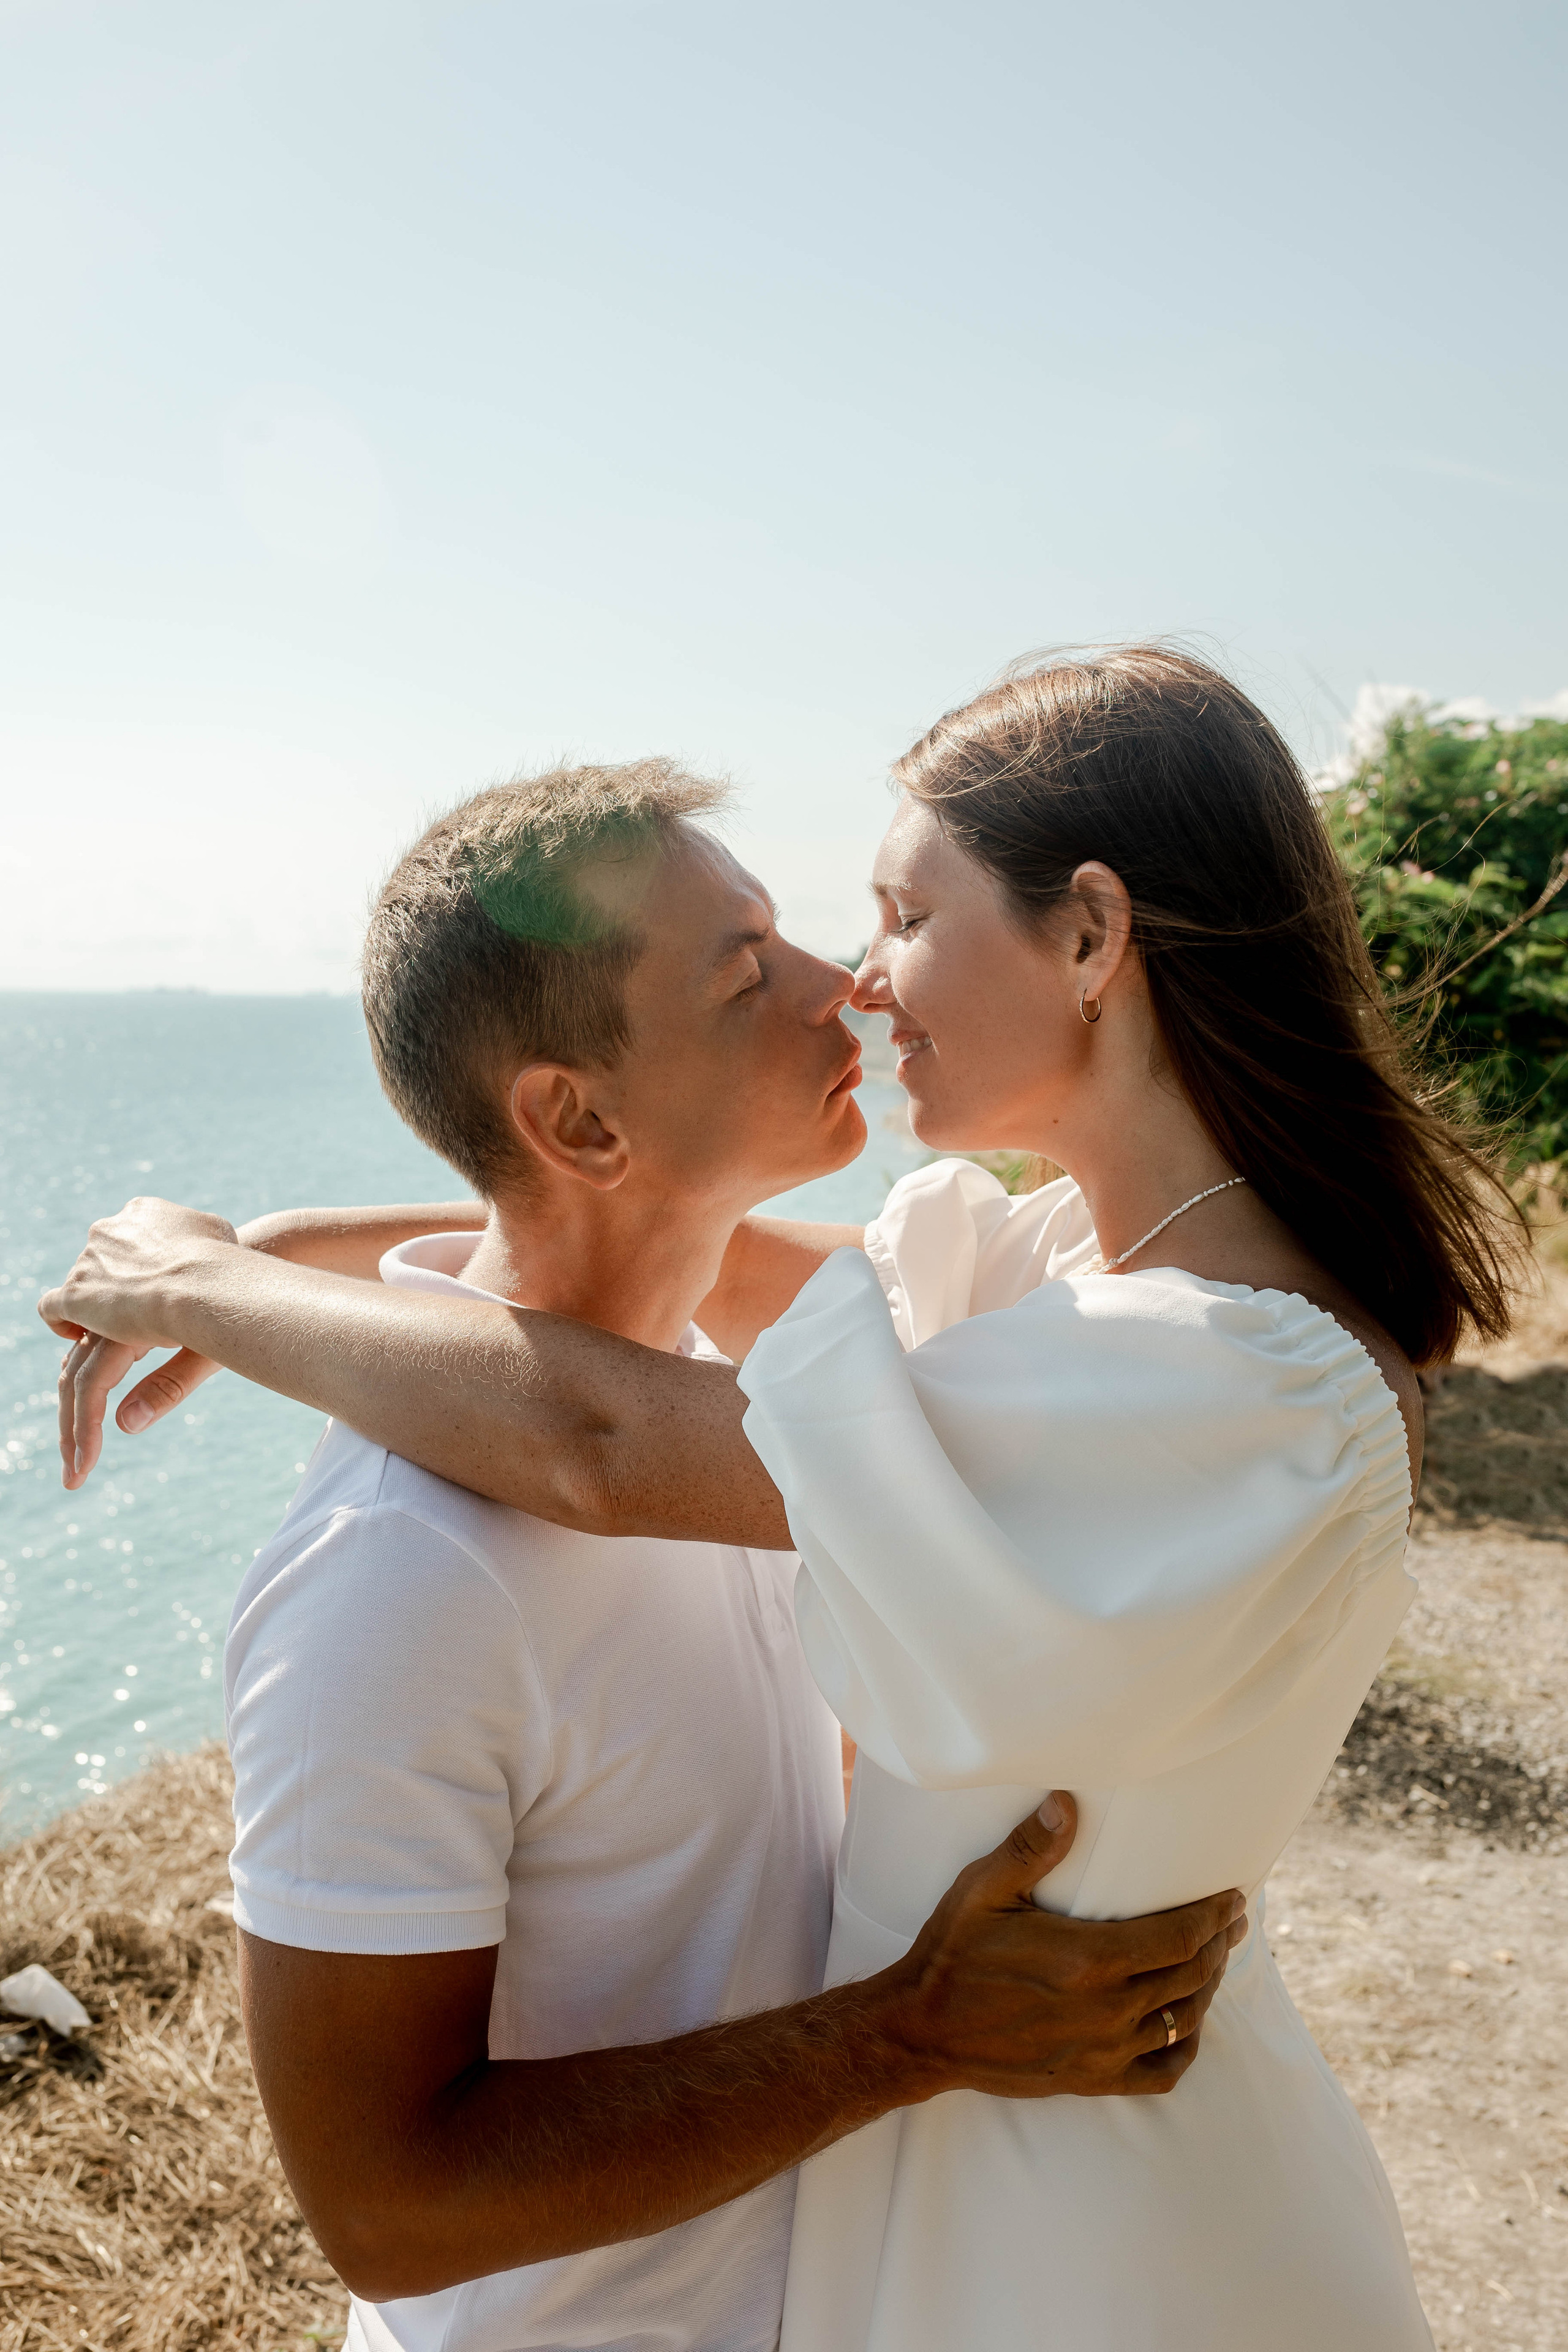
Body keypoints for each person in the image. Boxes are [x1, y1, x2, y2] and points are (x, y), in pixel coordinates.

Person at [46, 647, 1522, 2348]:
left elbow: (602, 1440)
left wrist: (203, 1294)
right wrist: (253, 1250)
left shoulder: (1195, 1381)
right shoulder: (1076, 1268)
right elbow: (708, 1267)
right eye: (773, 961)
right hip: (965, 2184)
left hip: (1085, 2239)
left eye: (897, 918)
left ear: (1093, 938)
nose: (859, 984)